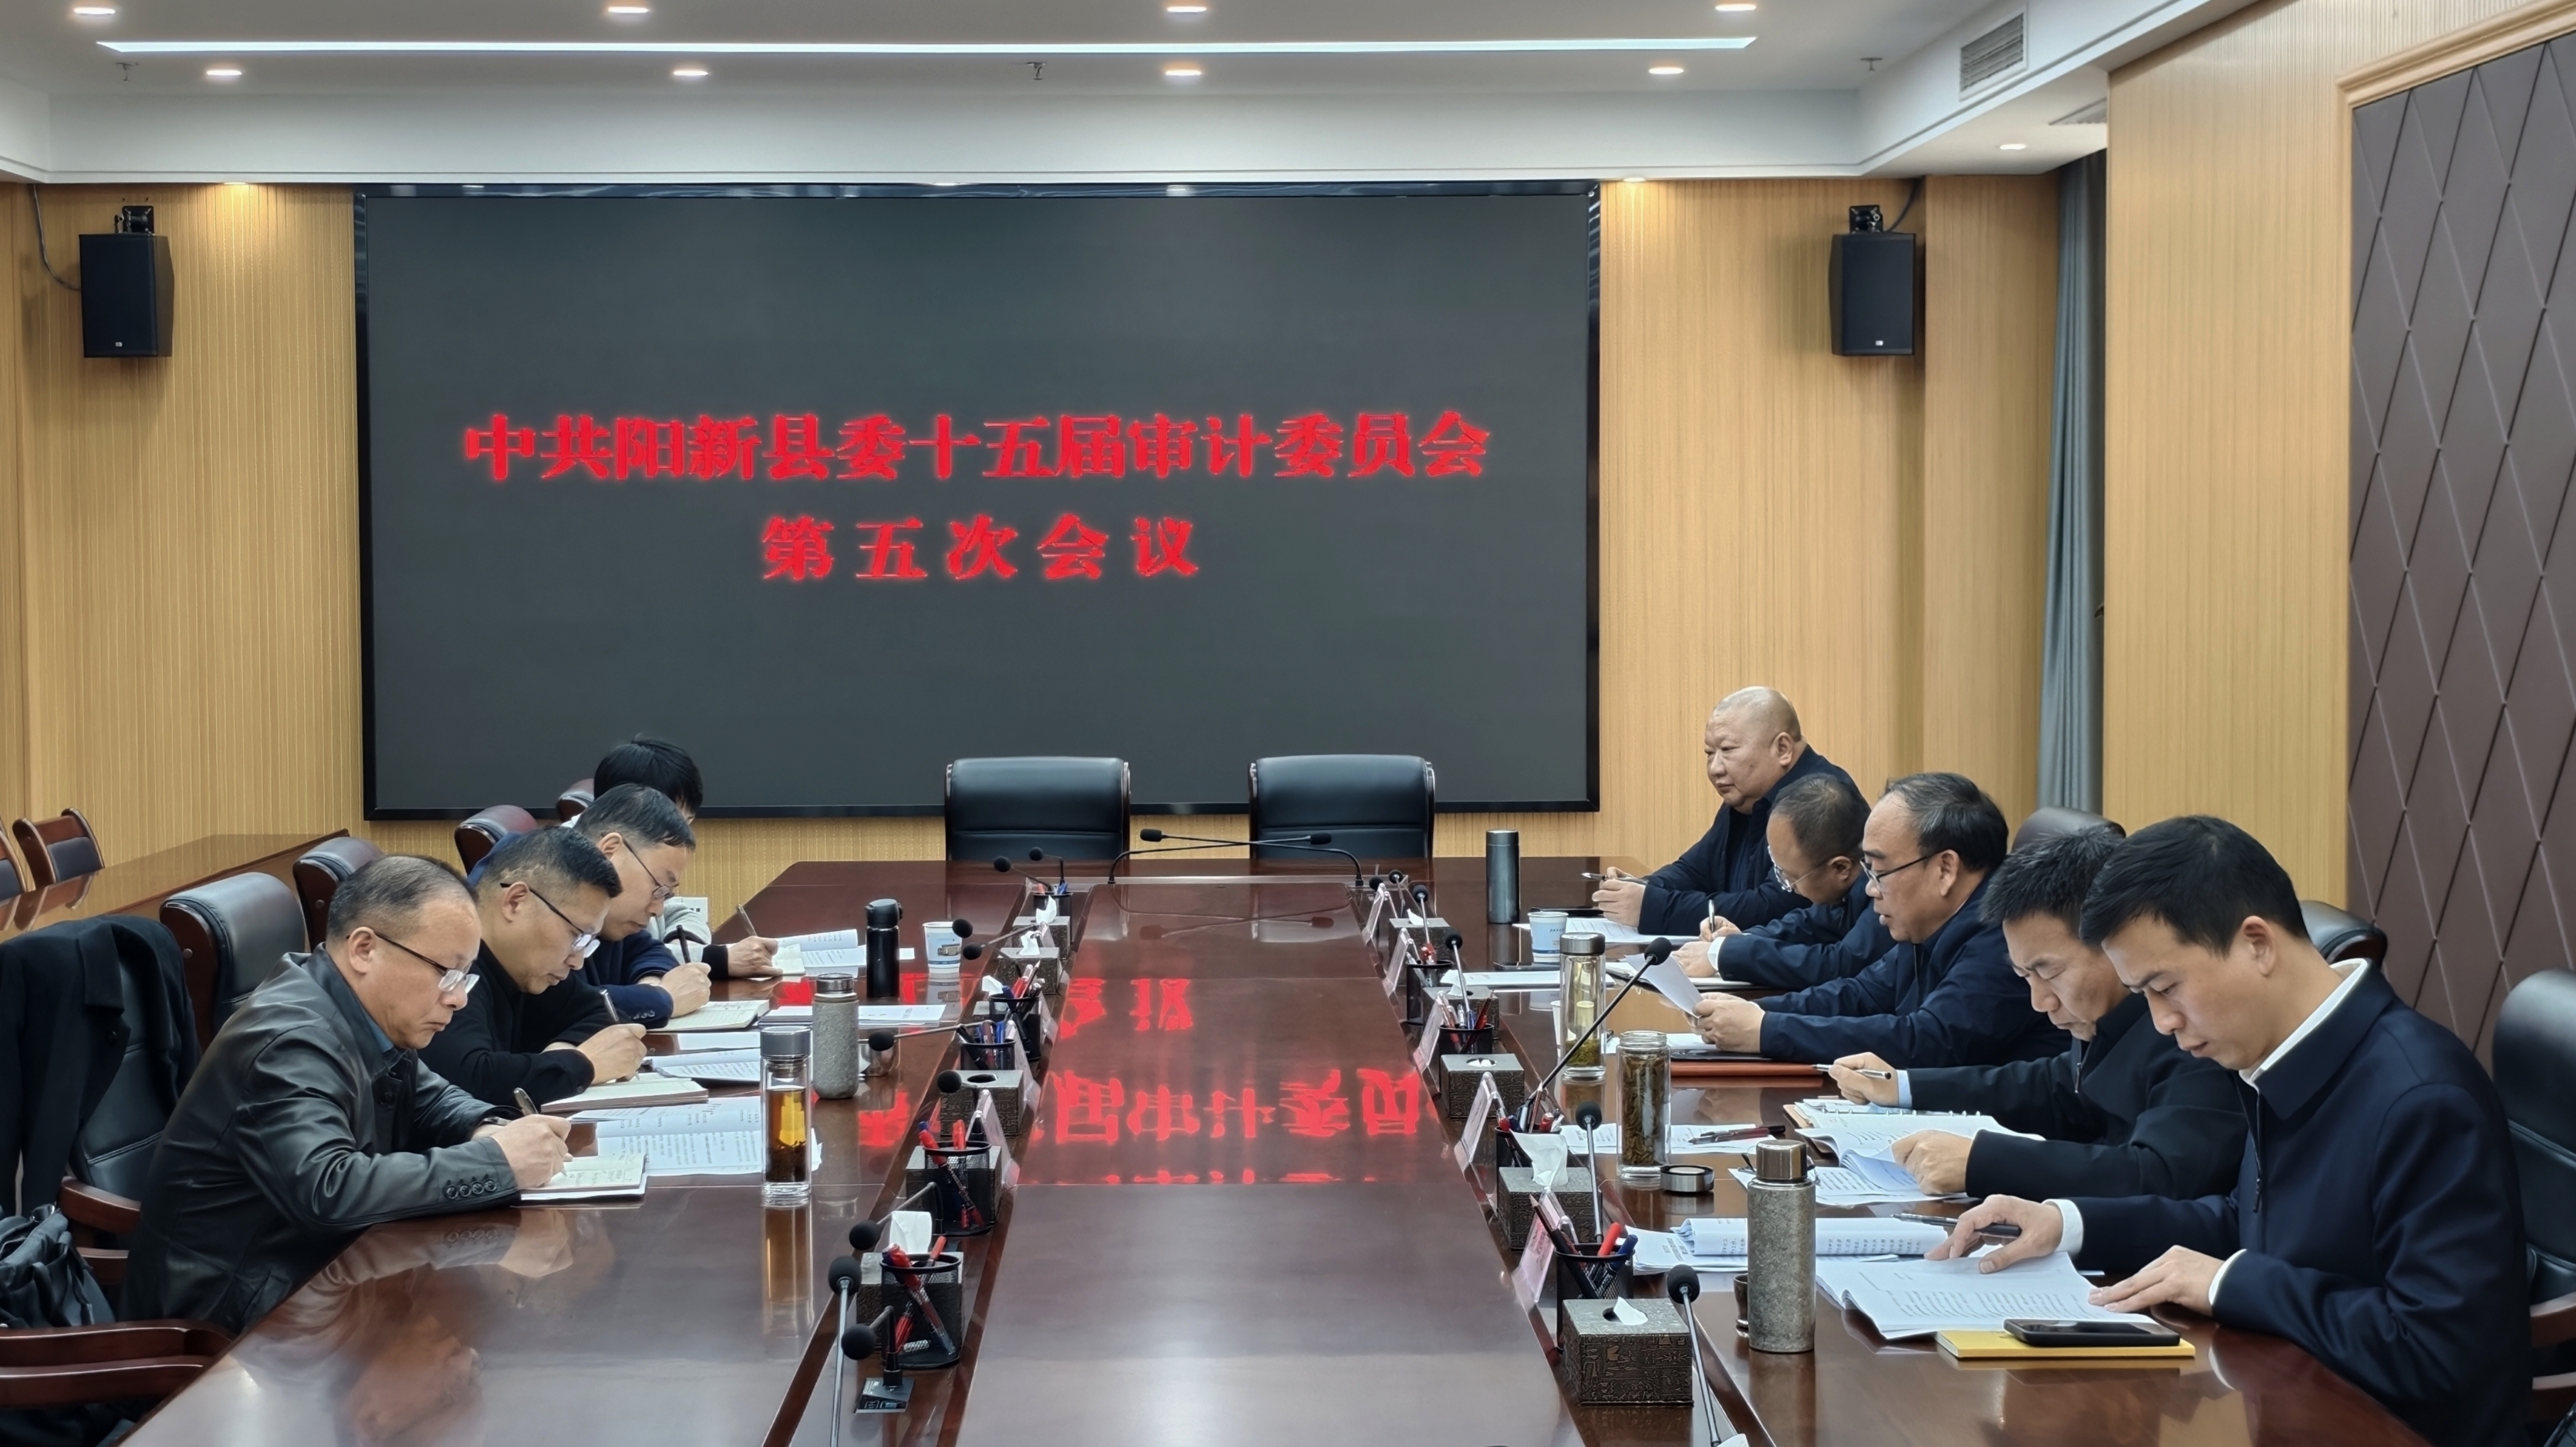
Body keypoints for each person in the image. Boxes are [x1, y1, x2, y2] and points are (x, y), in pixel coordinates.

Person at [1928, 817, 2524, 1447]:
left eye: (2166, 987)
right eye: (2143, 994)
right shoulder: (2281, 1053)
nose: (2161, 1022)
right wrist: (2068, 1223)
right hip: (2290, 1399)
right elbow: (2250, 1222)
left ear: (2256, 944)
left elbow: (2433, 1352)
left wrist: (2232, 1282)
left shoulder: (2421, 1098)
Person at [123, 856, 573, 1333]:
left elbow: (430, 1099)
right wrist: (496, 1163)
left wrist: (487, 1129)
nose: (458, 998)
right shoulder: (290, 1040)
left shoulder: (359, 1009)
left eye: (466, 976)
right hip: (228, 1320)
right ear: (364, 950)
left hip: (315, 1283)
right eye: (447, 972)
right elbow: (328, 1190)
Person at [1824, 827, 2242, 1199]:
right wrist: (1902, 1086)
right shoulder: (2107, 1018)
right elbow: (2057, 1086)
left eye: (2050, 973)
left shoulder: (2187, 1027)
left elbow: (2162, 1174)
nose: (2040, 1002)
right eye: (2025, 976)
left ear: (2115, 944)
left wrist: (1985, 1163)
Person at [1690, 772, 2066, 1067]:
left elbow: (1927, 1041)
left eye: (1879, 871)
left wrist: (1767, 1030)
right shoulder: (1930, 923)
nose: (1870, 889)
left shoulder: (2007, 932)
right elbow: (1862, 993)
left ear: (1945, 869)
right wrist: (1755, 1012)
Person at [1592, 687, 1857, 935]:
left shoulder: (1821, 799)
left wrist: (1654, 907)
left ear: (1783, 749)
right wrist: (1646, 887)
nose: (1715, 768)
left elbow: (1774, 907)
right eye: (1710, 753)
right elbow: (1696, 870)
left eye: (1728, 750)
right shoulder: (1747, 796)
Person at [421, 827, 644, 1107]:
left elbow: (605, 1014)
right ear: (516, 902)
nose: (577, 960)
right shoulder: (447, 967)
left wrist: (561, 1055)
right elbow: (469, 1080)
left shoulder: (523, 969)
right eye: (576, 936)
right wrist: (582, 1064)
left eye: (587, 943)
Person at [589, 734, 779, 979]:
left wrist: (682, 949)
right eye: (674, 821)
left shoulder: (633, 867)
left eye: (687, 822)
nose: (682, 834)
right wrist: (715, 959)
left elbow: (673, 918)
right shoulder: (574, 875)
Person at [1678, 773, 1888, 988]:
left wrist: (1724, 954)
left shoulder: (1885, 895)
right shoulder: (1845, 889)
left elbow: (1839, 964)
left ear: (1841, 868)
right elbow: (1806, 925)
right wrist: (1741, 939)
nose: (1788, 887)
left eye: (1793, 877)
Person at [570, 783, 709, 1028]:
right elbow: (559, 1006)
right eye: (658, 888)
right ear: (610, 852)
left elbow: (648, 950)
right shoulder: (544, 903)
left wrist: (651, 984)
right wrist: (662, 999)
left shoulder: (608, 921)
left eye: (665, 894)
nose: (658, 909)